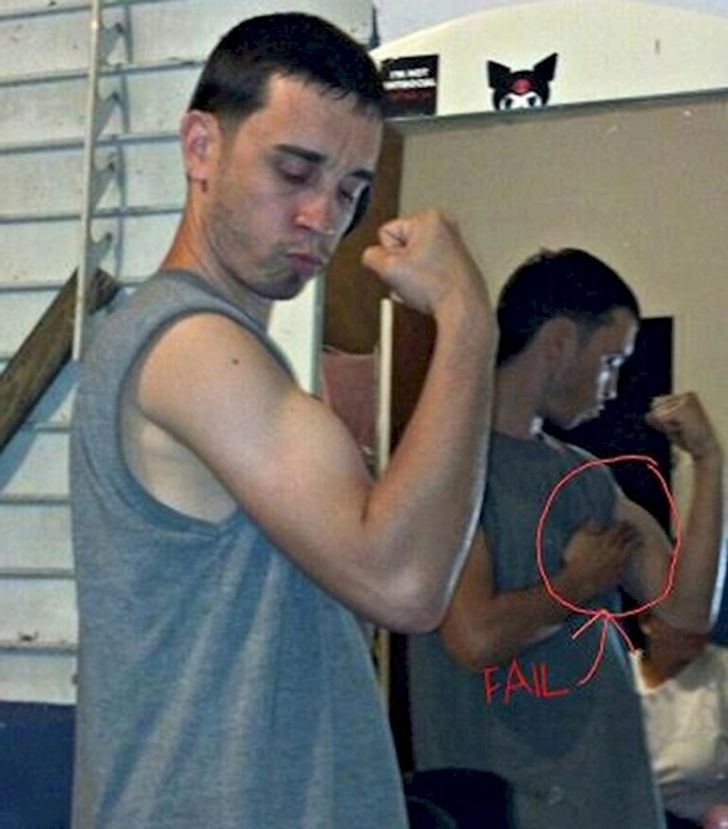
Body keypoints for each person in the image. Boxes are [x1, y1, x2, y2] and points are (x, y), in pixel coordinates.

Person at [69, 13, 497, 829]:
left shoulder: (225, 356)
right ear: (202, 147)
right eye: (294, 171)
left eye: (349, 190)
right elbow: (406, 583)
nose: (321, 217)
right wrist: (468, 319)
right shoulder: (191, 347)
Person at [408, 248, 724, 829]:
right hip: (515, 809)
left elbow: (685, 614)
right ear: (558, 342)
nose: (613, 385)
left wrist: (708, 462)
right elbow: (475, 637)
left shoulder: (585, 476)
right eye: (609, 361)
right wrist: (577, 585)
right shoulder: (453, 466)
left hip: (618, 802)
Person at [632, 613, 728, 828]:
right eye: (683, 612)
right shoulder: (617, 679)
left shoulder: (721, 668)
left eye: (703, 613)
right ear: (648, 622)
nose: (697, 627)